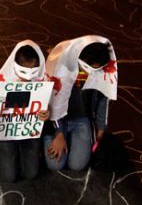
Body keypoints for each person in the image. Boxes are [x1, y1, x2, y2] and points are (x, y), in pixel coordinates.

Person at [44, 36, 117, 171]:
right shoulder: (61, 65)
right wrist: (59, 134)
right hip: (56, 119)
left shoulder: (101, 69)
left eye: (97, 69)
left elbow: (103, 99)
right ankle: (51, 138)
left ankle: (71, 141)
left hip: (81, 119)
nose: (91, 73)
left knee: (77, 165)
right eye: (88, 68)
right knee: (55, 165)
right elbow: (51, 102)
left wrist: (100, 131)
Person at [0, 41, 49, 182]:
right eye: (23, 71)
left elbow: (49, 107)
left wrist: (47, 113)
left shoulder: (43, 82)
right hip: (6, 135)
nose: (28, 77)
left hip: (29, 133)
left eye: (33, 72)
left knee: (31, 174)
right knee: (8, 177)